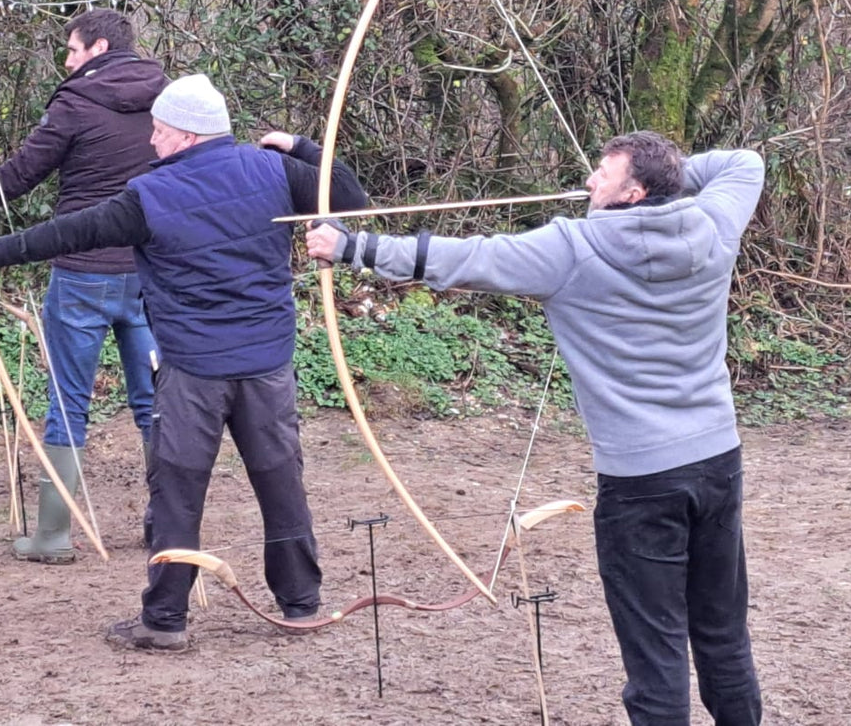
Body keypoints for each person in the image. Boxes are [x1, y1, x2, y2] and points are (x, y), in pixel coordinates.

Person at [307, 132, 764, 726]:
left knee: (656, 654)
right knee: (722, 634)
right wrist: (671, 177)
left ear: (634, 193)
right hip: (717, 461)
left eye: (604, 174)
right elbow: (744, 162)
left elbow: (462, 260)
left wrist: (352, 247)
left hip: (640, 480)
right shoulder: (714, 221)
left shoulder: (570, 248)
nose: (589, 181)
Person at [0, 73, 369, 652]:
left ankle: (165, 619)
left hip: (193, 371)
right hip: (267, 362)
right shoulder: (272, 170)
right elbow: (349, 193)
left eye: (162, 133)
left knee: (178, 490)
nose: (153, 143)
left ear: (189, 136)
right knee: (279, 479)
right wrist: (300, 145)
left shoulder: (151, 196)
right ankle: (301, 604)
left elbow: (70, 232)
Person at [0, 8, 167, 564]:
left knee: (68, 402)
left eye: (72, 50)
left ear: (99, 47)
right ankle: (167, 522)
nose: (66, 60)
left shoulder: (77, 101)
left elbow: (20, 174)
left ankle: (54, 537)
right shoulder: (167, 95)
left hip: (84, 273)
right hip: (152, 269)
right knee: (156, 401)